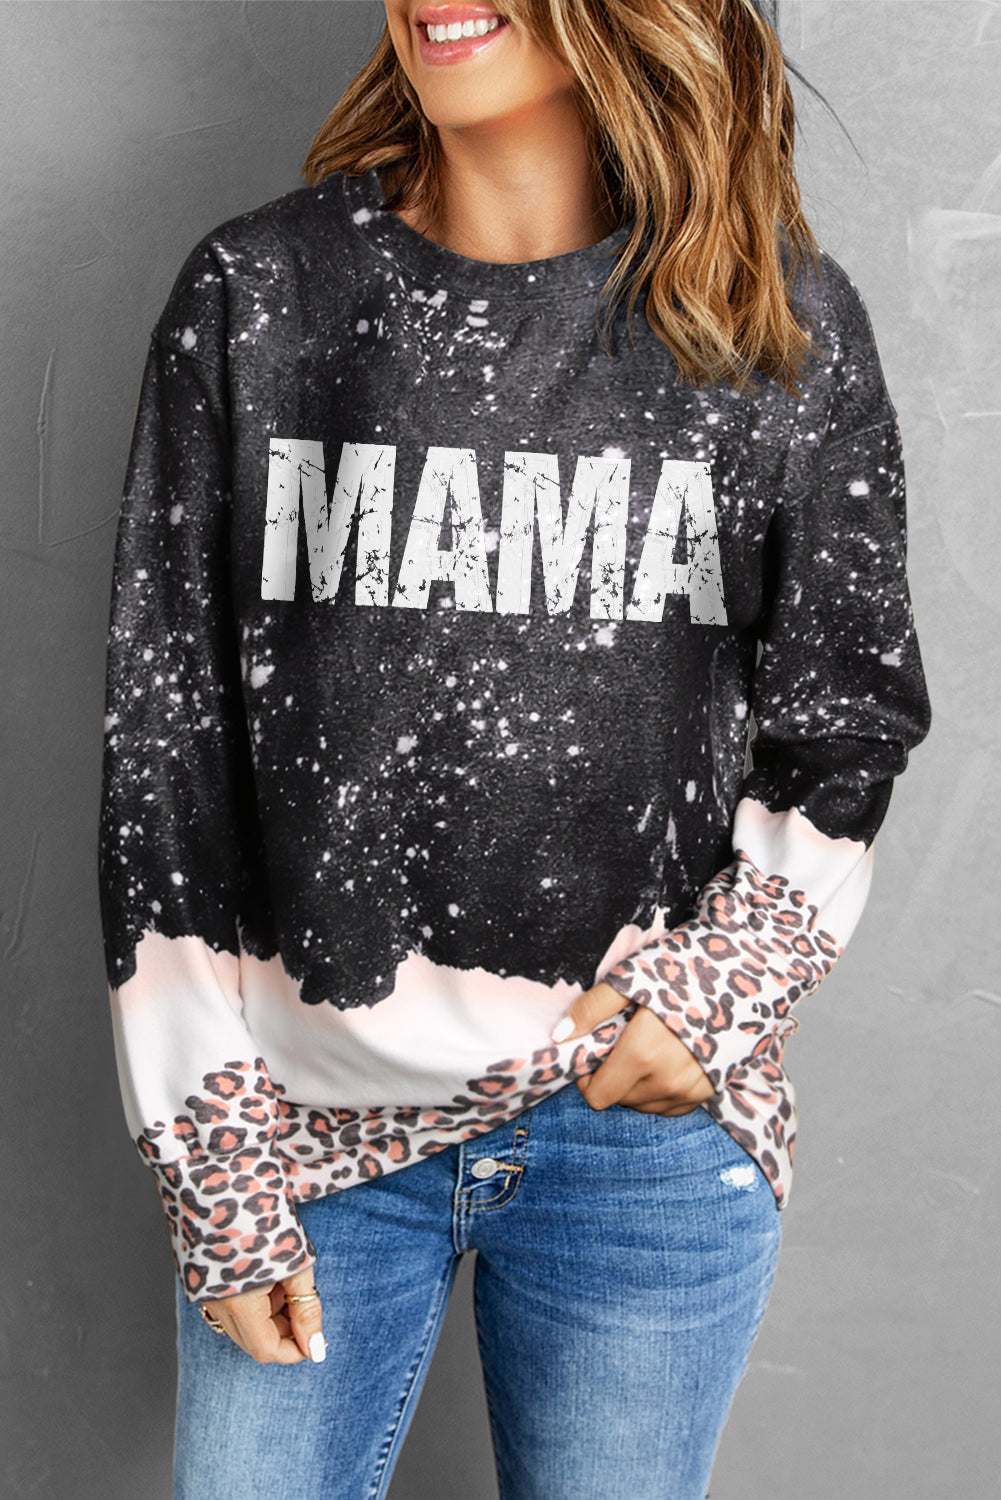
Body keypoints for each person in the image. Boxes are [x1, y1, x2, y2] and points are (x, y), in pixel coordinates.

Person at [99, 2, 931, 1496]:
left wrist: (715, 999)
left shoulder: (768, 321)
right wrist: (215, 1166)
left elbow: (846, 719)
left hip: (639, 1146)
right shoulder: (261, 294)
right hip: (301, 1144)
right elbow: (166, 761)